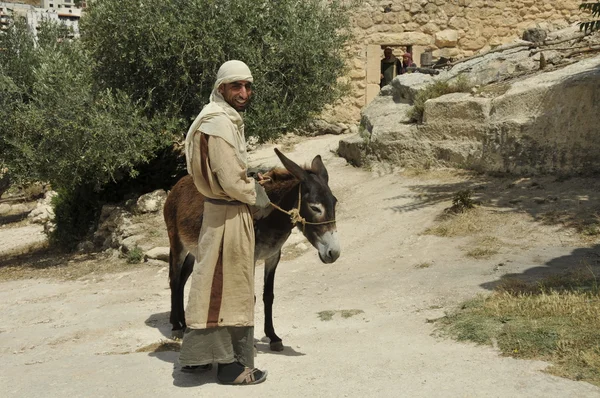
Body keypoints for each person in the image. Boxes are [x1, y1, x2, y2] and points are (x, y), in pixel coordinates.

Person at [180, 60, 271, 385]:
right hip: (229, 214)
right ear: (222, 89)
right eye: (237, 86)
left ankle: (198, 358)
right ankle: (231, 366)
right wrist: (256, 192)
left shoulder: (213, 119)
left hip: (219, 211)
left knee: (209, 283)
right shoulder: (218, 125)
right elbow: (231, 180)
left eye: (248, 86)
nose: (244, 92)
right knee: (229, 287)